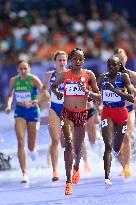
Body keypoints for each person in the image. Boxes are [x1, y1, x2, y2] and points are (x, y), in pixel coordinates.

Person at [51, 48, 101, 195]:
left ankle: (76, 168)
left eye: (80, 59)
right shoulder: (63, 74)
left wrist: (87, 92)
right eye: (75, 59)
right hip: (66, 113)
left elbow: (99, 96)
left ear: (83, 61)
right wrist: (57, 93)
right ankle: (68, 182)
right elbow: (52, 86)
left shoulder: (88, 75)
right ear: (71, 60)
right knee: (68, 144)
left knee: (78, 150)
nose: (77, 62)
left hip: (81, 114)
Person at [5, 60, 50, 183]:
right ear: (17, 70)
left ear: (29, 69)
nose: (23, 71)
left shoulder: (33, 79)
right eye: (21, 69)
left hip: (33, 111)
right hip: (20, 110)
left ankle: (33, 150)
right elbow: (10, 95)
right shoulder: (13, 80)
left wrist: (36, 100)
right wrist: (9, 105)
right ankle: (24, 173)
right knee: (20, 141)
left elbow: (44, 93)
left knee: (30, 144)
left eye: (25, 69)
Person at [98, 55, 134, 187]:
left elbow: (131, 98)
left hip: (121, 112)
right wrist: (88, 96)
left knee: (117, 147)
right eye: (109, 65)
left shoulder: (124, 77)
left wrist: (114, 90)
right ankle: (107, 177)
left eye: (115, 65)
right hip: (107, 111)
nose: (112, 67)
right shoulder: (102, 77)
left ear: (119, 66)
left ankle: (118, 156)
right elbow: (97, 94)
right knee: (108, 143)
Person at [44, 50, 68, 181]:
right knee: (55, 140)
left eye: (64, 60)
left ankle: (76, 166)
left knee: (70, 141)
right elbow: (43, 90)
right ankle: (55, 171)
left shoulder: (72, 74)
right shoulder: (49, 75)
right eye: (59, 60)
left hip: (68, 108)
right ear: (55, 62)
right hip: (54, 108)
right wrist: (42, 97)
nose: (62, 62)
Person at [114, 48, 136, 177]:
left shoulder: (131, 74)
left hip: (129, 110)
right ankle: (123, 165)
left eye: (123, 59)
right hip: (114, 111)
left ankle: (127, 166)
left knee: (126, 135)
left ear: (126, 59)